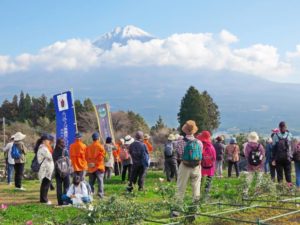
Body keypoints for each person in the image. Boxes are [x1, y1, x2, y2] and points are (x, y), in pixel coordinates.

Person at [176, 120, 203, 204]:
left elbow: (180, 155)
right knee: (196, 188)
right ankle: (195, 208)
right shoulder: (199, 142)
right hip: (196, 167)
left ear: (185, 130)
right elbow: (200, 154)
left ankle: (177, 209)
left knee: (181, 187)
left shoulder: (180, 142)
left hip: (185, 165)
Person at [244, 132, 265, 196]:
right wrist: (259, 163)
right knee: (259, 179)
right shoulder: (260, 146)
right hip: (260, 166)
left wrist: (251, 163)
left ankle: (245, 192)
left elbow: (246, 155)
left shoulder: (247, 146)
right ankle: (257, 192)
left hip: (250, 166)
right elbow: (263, 155)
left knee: (248, 179)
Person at [86, 132, 106, 198]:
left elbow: (86, 157)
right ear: (98, 138)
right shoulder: (100, 146)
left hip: (91, 167)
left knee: (91, 182)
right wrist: (96, 163)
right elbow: (102, 157)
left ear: (93, 139)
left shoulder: (89, 147)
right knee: (100, 182)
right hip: (98, 166)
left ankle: (90, 194)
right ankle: (100, 194)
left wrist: (90, 163)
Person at [37, 134, 55, 204]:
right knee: (45, 184)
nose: (49, 142)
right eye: (48, 140)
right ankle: (44, 200)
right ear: (44, 141)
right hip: (45, 169)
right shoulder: (43, 148)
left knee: (45, 184)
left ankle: (43, 199)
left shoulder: (44, 147)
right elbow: (50, 157)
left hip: (47, 168)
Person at [52, 138, 71, 205]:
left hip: (58, 172)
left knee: (59, 188)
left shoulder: (54, 151)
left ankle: (60, 202)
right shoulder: (65, 151)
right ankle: (65, 201)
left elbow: (54, 161)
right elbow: (68, 161)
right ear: (61, 143)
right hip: (66, 172)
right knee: (66, 187)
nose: (64, 144)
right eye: (63, 142)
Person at [197, 131, 216, 195]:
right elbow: (214, 158)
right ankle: (206, 194)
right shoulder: (212, 147)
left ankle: (198, 193)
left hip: (202, 167)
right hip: (210, 168)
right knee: (208, 181)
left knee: (200, 181)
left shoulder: (200, 146)